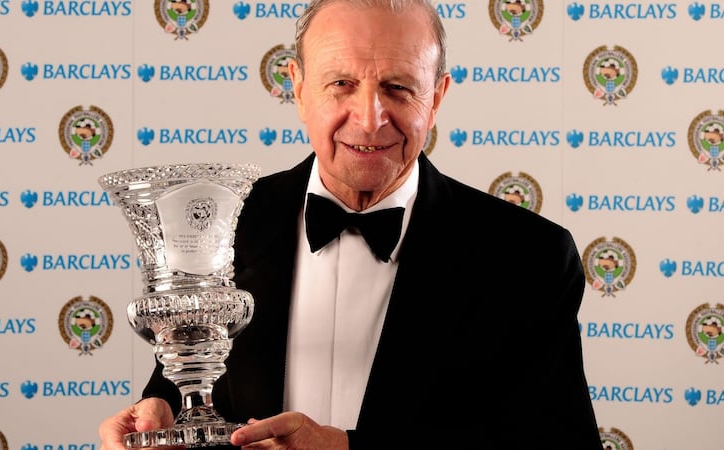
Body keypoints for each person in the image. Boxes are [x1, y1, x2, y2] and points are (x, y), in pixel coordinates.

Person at [98, 0, 602, 448]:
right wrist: (158, 413)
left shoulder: (530, 256)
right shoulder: (226, 221)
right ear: (297, 88)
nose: (368, 118)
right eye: (341, 84)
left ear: (438, 97)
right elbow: (187, 382)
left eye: (398, 87)